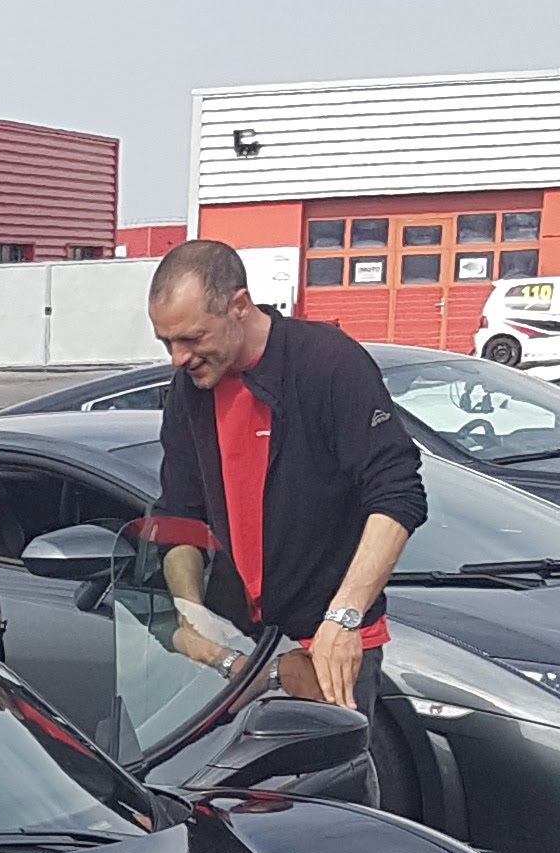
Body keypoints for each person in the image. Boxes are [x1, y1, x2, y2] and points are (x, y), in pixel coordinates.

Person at [147, 240, 425, 712]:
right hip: (239, 648)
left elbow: (398, 492)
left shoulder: (327, 362)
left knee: (329, 761)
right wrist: (192, 618)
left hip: (329, 642)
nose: (178, 357)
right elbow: (180, 515)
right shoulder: (189, 392)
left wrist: (344, 617)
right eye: (166, 342)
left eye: (191, 338)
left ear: (239, 306)